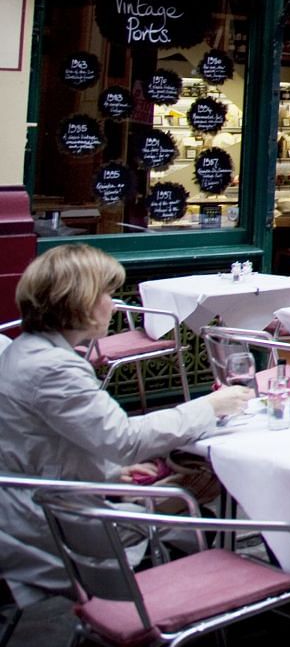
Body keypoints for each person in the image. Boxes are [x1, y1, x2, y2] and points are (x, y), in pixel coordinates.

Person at [0, 246, 251, 606]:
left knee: (191, 512)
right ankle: (168, 618)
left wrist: (108, 472)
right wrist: (209, 406)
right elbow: (125, 439)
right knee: (203, 522)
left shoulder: (25, 351)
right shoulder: (53, 368)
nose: (114, 305)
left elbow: (43, 442)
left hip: (31, 513)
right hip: (54, 529)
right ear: (79, 302)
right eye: (107, 294)